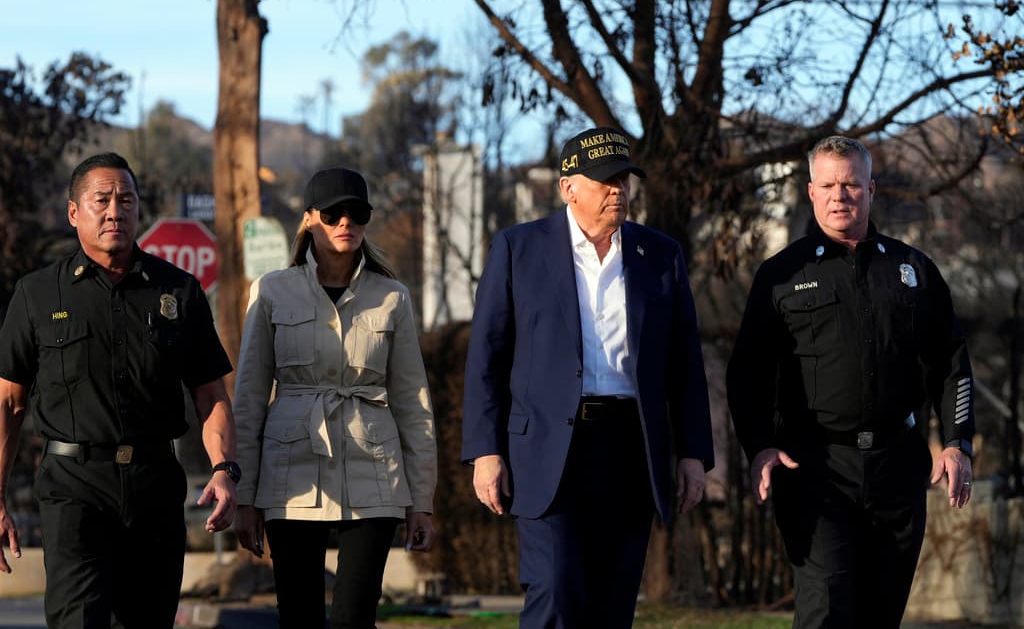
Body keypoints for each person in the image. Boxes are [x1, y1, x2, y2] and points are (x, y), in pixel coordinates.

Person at [462, 126, 715, 628]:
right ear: (568, 187)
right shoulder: (518, 249)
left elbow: (684, 362)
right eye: (605, 180)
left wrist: (692, 454)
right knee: (554, 592)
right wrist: (485, 451)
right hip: (546, 449)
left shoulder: (659, 255)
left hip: (629, 447)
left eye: (624, 178)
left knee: (612, 602)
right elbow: (487, 357)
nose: (618, 190)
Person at [727, 135, 976, 628]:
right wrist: (759, 446)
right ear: (811, 191)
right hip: (816, 469)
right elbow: (748, 372)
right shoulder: (780, 275)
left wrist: (957, 443)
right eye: (829, 185)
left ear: (871, 189)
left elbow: (951, 363)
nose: (840, 195)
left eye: (851, 184)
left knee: (880, 616)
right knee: (825, 611)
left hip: (897, 468)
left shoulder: (914, 271)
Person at [0, 152, 238, 628]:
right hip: (73, 486)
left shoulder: (179, 291)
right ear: (74, 213)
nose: (115, 210)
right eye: (102, 199)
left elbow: (210, 395)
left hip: (154, 482)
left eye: (126, 199)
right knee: (78, 619)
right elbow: (9, 401)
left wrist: (224, 468)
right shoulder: (38, 294)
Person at [232, 167, 436, 629]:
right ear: (308, 219)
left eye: (357, 214)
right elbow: (248, 396)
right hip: (291, 473)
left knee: (355, 619)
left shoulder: (393, 298)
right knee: (299, 617)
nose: (346, 223)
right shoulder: (270, 291)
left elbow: (413, 402)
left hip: (374, 470)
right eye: (332, 213)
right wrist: (246, 496)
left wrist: (421, 500)